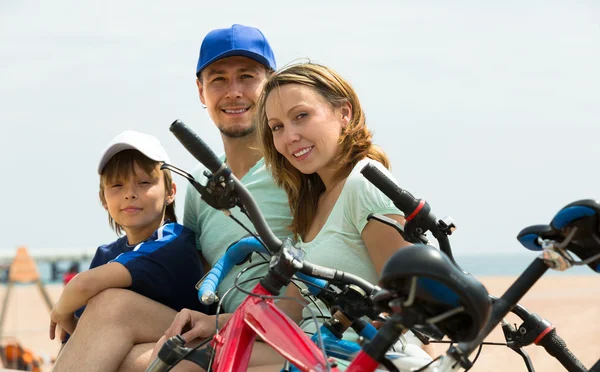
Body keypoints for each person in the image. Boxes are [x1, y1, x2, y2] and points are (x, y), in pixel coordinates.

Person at [50, 25, 292, 372]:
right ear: (201, 91)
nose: (234, 92)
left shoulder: (295, 169)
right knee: (115, 326)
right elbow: (200, 273)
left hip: (281, 329)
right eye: (219, 80)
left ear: (271, 82)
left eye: (247, 77)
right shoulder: (201, 186)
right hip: (222, 325)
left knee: (120, 333)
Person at [50, 131, 209, 370]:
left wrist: (60, 312)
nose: (130, 193)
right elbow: (84, 336)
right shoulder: (106, 254)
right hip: (148, 347)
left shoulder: (172, 243)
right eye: (117, 185)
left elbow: (82, 285)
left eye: (144, 182)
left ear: (170, 192)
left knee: (111, 306)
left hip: (193, 342)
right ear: (103, 199)